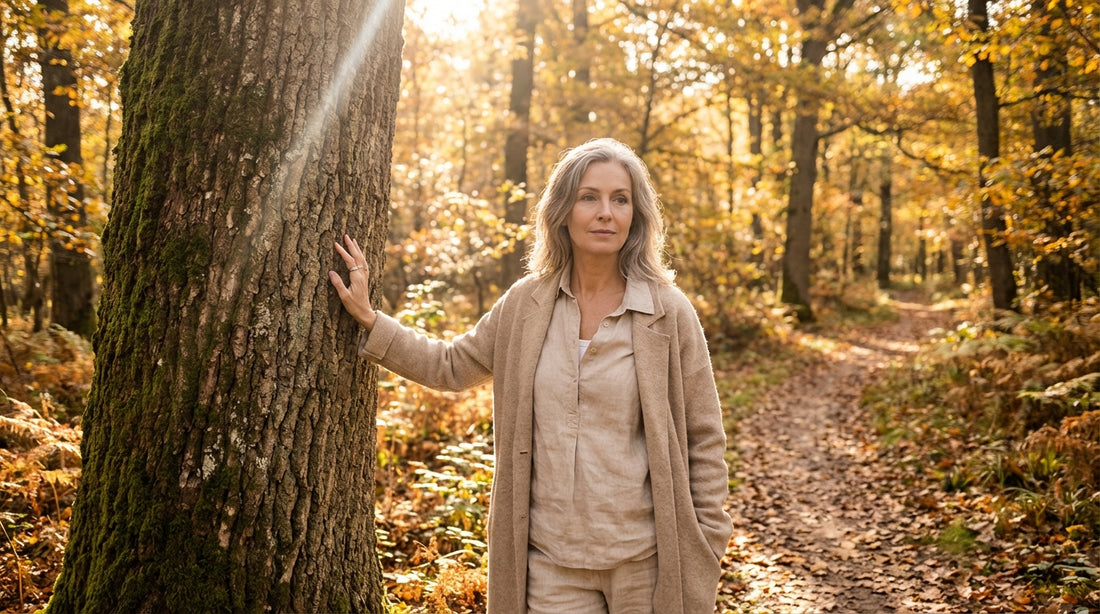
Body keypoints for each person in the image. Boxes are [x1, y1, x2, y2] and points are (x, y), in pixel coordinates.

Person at [329, 138, 732, 614]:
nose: (606, 212)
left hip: (646, 562)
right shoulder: (527, 304)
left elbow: (704, 437)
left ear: (636, 215)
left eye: (620, 199)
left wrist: (707, 540)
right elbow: (452, 364)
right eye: (589, 197)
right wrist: (372, 320)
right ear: (562, 210)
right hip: (548, 564)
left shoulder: (668, 313)